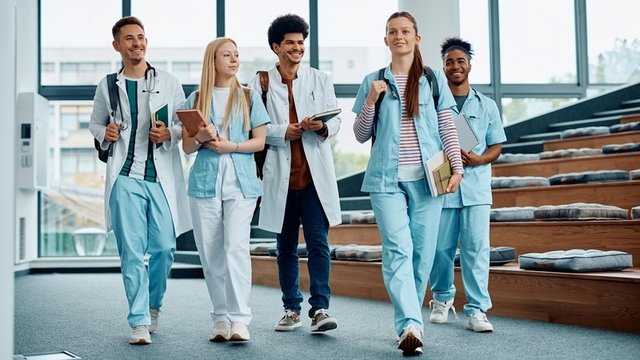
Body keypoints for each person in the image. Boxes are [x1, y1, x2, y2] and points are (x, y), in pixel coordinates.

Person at [352, 11, 464, 356]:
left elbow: (448, 125)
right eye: (391, 32)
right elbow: (359, 134)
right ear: (385, 40)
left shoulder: (432, 80)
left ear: (417, 38)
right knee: (398, 251)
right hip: (386, 180)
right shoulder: (374, 80)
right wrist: (370, 101)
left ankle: (410, 321)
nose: (398, 36)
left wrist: (457, 167)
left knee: (422, 255)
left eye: (404, 31)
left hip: (430, 179)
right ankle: (410, 326)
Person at [89, 16, 191, 345]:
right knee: (132, 252)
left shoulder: (170, 82)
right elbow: (95, 124)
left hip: (160, 177)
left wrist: (170, 133)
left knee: (164, 247)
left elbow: (184, 125)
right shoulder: (107, 86)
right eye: (129, 39)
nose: (137, 43)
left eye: (141, 37)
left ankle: (153, 305)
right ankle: (138, 320)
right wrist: (104, 133)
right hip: (125, 177)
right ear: (117, 45)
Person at [247, 13, 342, 333]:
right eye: (290, 43)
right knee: (285, 246)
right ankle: (291, 308)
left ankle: (320, 308)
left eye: (301, 43)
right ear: (276, 47)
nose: (297, 48)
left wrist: (323, 126)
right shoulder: (259, 83)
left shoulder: (320, 79)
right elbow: (252, 127)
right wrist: (280, 132)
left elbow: (337, 122)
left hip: (314, 180)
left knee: (318, 243)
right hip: (280, 179)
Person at [182, 37, 268, 342]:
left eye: (236, 55)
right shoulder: (195, 99)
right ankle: (220, 317)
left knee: (235, 249)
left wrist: (230, 146)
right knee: (210, 253)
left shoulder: (248, 96)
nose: (234, 60)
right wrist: (202, 137)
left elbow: (259, 142)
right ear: (213, 61)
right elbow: (187, 146)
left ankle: (240, 319)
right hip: (204, 184)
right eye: (227, 55)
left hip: (242, 185)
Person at [428, 37, 507, 333]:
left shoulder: (486, 105)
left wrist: (478, 159)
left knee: (475, 248)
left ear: (469, 65)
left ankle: (477, 310)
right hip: (444, 187)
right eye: (449, 62)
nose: (455, 66)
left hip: (475, 190)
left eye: (460, 61)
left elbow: (497, 145)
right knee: (440, 249)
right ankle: (441, 298)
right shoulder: (434, 104)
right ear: (443, 67)